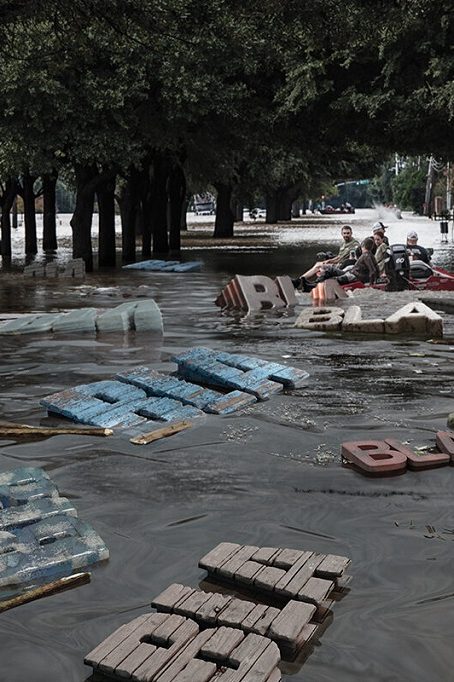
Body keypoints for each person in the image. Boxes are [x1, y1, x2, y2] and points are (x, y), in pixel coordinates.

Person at [299, 237, 379, 290]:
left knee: (334, 280)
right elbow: (375, 269)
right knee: (329, 270)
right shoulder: (368, 255)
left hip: (353, 277)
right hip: (350, 274)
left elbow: (373, 270)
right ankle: (314, 284)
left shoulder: (366, 256)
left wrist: (371, 285)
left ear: (363, 245)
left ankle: (312, 287)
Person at [293, 225, 360, 287]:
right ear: (341, 234)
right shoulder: (343, 244)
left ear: (351, 233)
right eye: (344, 233)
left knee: (319, 265)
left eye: (348, 233)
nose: (346, 235)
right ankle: (303, 281)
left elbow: (341, 258)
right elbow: (339, 256)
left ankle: (304, 282)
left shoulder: (354, 244)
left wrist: (329, 261)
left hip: (344, 267)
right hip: (339, 264)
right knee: (319, 265)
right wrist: (329, 260)